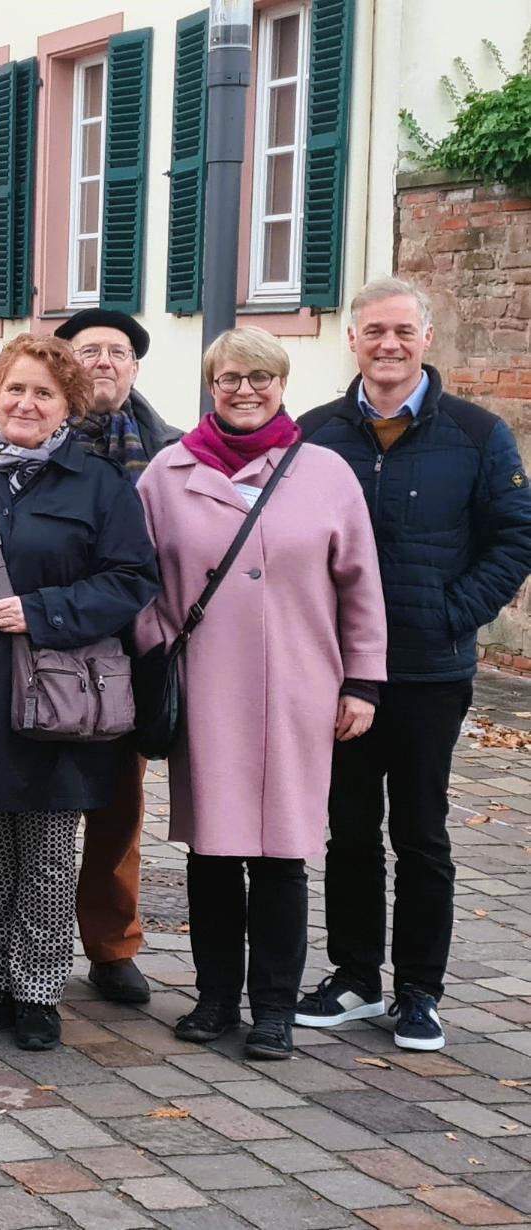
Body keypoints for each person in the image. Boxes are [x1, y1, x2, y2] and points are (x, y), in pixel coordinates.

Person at [0, 332, 158, 1053]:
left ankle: (40, 991)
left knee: (47, 848)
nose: (26, 402)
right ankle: (2, 979)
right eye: (15, 388)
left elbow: (131, 581)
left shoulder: (98, 486)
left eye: (43, 392)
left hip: (54, 694)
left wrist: (42, 614)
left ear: (66, 405)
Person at [134, 328, 384, 1062]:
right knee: (213, 852)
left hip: (301, 690)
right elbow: (137, 580)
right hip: (205, 690)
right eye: (230, 377)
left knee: (282, 855)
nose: (245, 389)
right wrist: (157, 657)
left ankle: (273, 1005)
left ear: (283, 384)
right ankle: (214, 998)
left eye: (261, 377)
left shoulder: (326, 473)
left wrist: (363, 680)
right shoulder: (166, 473)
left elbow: (361, 585)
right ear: (211, 386)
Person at [295, 278, 531, 1052]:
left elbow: (514, 538)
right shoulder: (316, 432)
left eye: (402, 331)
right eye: (373, 332)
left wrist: (451, 614)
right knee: (349, 829)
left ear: (427, 339)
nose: (388, 345)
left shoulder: (477, 433)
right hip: (339, 672)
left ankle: (420, 991)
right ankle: (357, 976)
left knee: (422, 834)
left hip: (431, 671)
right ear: (353, 341)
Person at [51, 307, 183, 1006]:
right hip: (43, 648)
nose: (104, 361)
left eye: (118, 352)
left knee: (117, 806)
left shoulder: (171, 453)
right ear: (65, 364)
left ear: (134, 368)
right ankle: (26, 944)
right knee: (36, 803)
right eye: (90, 350)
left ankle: (111, 944)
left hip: (131, 653)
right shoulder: (35, 441)